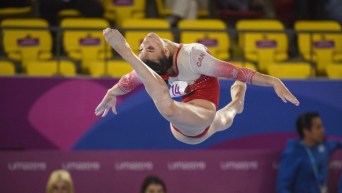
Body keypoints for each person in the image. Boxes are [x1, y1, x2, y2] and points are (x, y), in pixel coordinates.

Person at [95, 28, 299, 145]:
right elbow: (130, 81)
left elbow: (237, 72)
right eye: (146, 49)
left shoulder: (187, 58)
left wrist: (273, 81)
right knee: (166, 103)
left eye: (143, 48)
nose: (145, 43)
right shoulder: (177, 62)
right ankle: (127, 55)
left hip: (192, 120)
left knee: (229, 114)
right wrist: (112, 92)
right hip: (195, 119)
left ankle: (237, 102)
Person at [276, 112, 342, 193]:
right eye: (318, 127)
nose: (323, 130)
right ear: (306, 131)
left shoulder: (325, 146)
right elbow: (283, 189)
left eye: (322, 126)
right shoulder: (292, 153)